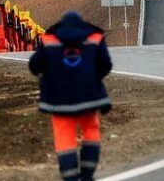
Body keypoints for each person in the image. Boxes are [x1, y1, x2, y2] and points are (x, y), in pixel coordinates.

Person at [29, 11, 112, 181]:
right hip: (89, 98)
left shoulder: (49, 39)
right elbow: (105, 65)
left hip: (59, 101)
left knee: (64, 139)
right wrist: (92, 77)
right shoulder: (94, 37)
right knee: (91, 133)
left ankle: (70, 177)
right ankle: (88, 174)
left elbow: (35, 66)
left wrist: (49, 76)